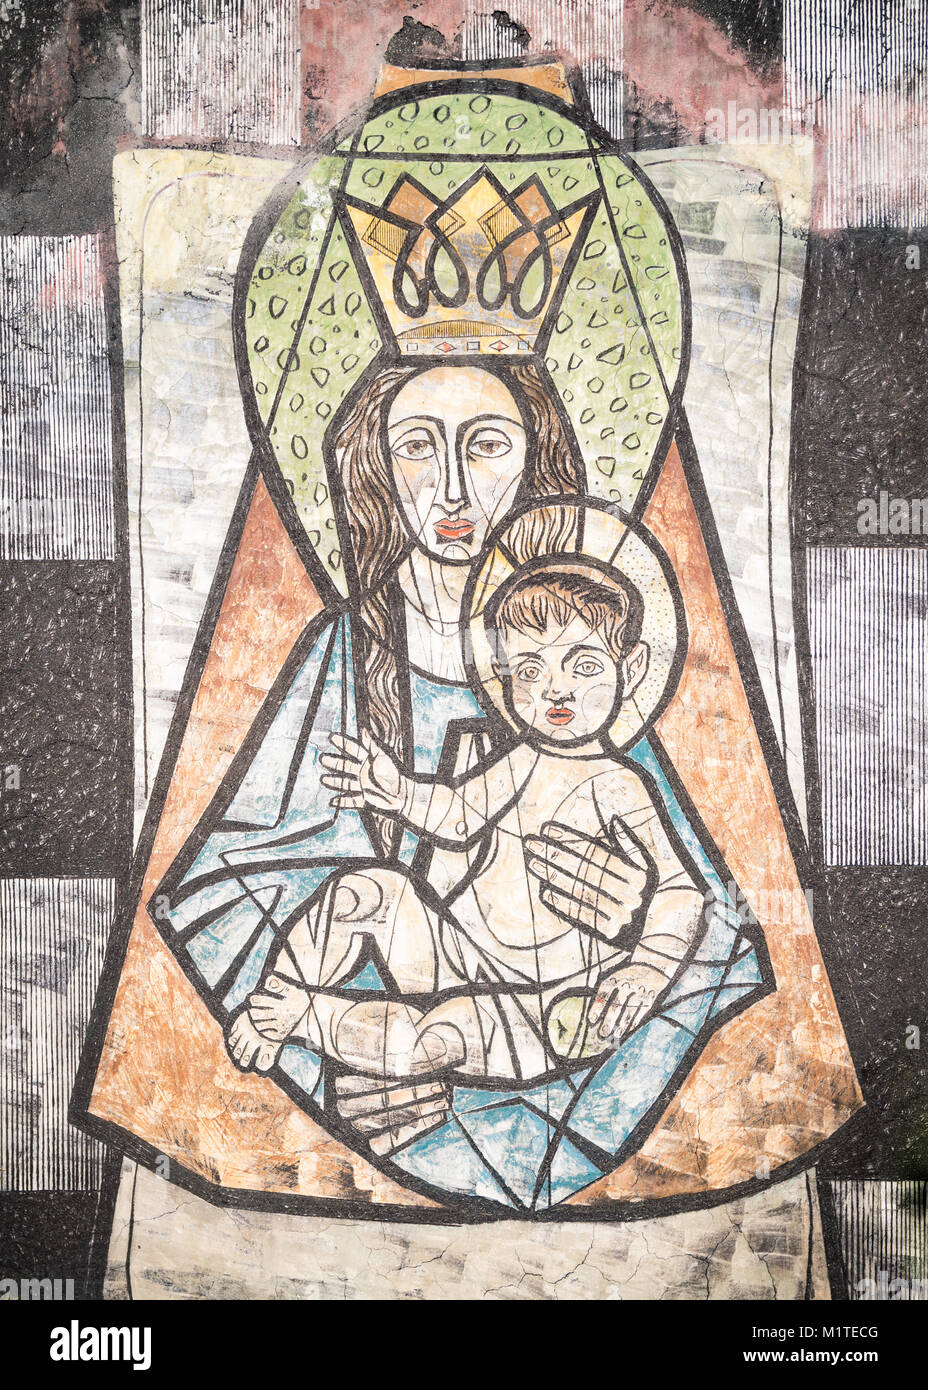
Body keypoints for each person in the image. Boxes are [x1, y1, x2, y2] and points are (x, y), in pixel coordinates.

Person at [226, 561, 705, 1091]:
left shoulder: (620, 785)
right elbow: (457, 817)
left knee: (434, 1041)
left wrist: (649, 969)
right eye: (530, 670)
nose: (556, 690)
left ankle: (307, 1018)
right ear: (504, 677)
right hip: (461, 954)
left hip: (544, 1005)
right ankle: (275, 998)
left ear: (631, 667)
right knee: (364, 892)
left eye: (585, 665)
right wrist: (398, 792)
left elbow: (680, 892)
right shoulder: (521, 760)